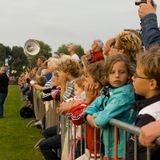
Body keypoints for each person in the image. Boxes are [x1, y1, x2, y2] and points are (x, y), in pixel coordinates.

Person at [84, 54, 135, 159]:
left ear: (129, 75)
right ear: (106, 75)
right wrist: (88, 116)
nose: (117, 75)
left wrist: (93, 116)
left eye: (122, 72)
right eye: (112, 72)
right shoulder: (108, 91)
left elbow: (101, 120)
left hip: (121, 151)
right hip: (109, 148)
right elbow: (91, 107)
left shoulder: (124, 95)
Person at [127, 46, 160, 160]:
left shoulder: (148, 116)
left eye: (136, 75)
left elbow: (136, 154)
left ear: (152, 84)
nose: (132, 78)